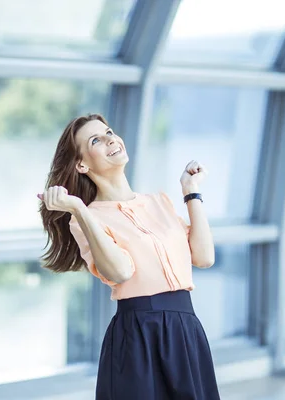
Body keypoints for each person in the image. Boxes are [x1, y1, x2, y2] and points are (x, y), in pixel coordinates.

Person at [38, 114, 220, 400]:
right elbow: (120, 272)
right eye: (96, 140)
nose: (111, 138)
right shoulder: (85, 220)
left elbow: (204, 256)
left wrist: (191, 192)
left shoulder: (158, 202)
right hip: (137, 336)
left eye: (109, 131)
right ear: (81, 164)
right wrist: (80, 210)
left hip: (186, 330)